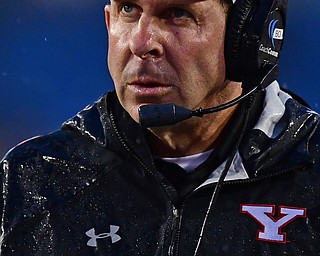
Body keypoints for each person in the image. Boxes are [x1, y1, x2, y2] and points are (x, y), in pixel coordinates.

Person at [0, 0, 319, 255]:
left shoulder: (311, 174)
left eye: (178, 13)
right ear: (109, 22)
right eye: (129, 9)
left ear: (250, 38)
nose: (141, 42)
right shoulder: (30, 181)